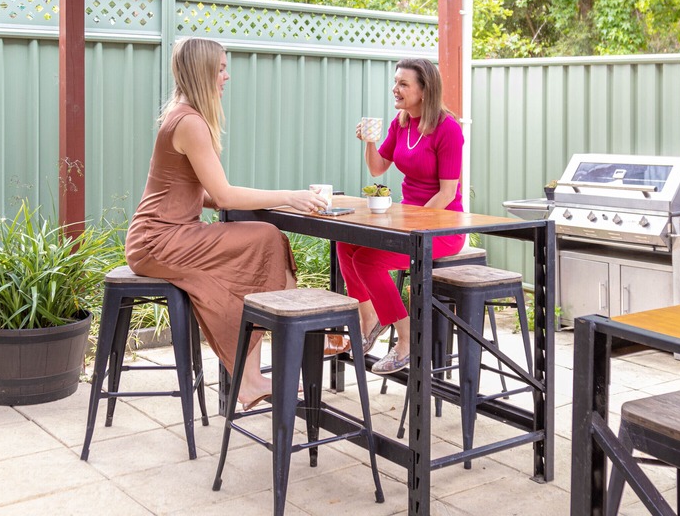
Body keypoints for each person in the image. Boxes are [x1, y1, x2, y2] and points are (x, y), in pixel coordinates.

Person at [125, 37, 327, 410]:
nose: (226, 76)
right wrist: (288, 195)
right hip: (160, 239)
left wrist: (236, 195)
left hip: (164, 235)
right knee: (266, 239)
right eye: (220, 68)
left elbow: (200, 193)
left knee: (262, 244)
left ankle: (251, 375)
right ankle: (252, 376)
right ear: (203, 71)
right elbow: (226, 197)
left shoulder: (181, 115)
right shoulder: (190, 122)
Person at [337, 58, 466, 374]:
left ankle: (407, 341)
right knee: (345, 243)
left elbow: (447, 194)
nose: (395, 89)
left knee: (367, 260)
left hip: (442, 228)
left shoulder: (448, 130)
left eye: (403, 84)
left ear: (424, 90)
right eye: (396, 82)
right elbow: (377, 167)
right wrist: (369, 142)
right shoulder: (402, 123)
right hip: (408, 220)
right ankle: (369, 319)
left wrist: (409, 226)